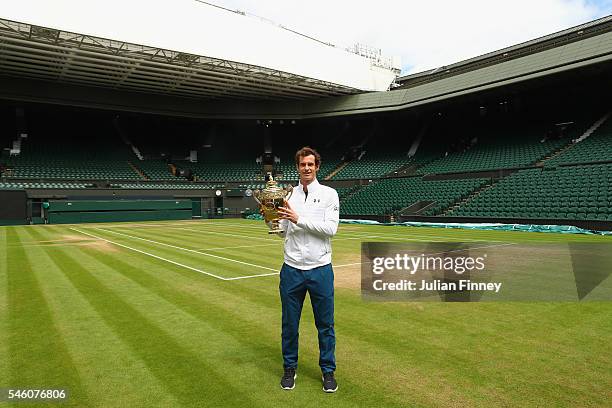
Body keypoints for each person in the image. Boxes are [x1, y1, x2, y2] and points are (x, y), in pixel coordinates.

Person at [274, 146, 340, 393]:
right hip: (291, 269)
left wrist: (297, 218)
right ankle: (289, 368)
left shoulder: (329, 194)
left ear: (317, 167)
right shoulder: (288, 195)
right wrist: (272, 218)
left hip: (320, 269)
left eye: (310, 164)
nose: (307, 168)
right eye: (302, 164)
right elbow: (282, 231)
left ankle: (328, 371)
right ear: (298, 167)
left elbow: (330, 229)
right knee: (289, 324)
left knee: (325, 324)